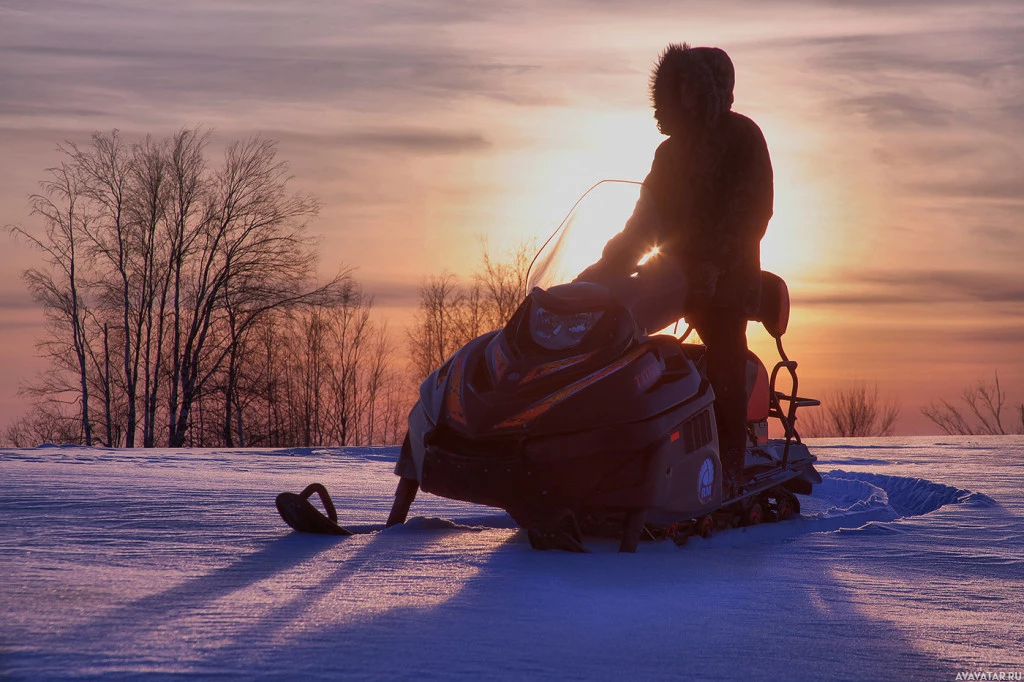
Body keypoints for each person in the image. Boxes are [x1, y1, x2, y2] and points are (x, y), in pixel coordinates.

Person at [576, 43, 774, 496]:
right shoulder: (668, 155)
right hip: (672, 276)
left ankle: (728, 467)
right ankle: (608, 448)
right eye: (676, 85)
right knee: (616, 336)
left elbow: (750, 214)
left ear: (711, 90)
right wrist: (604, 270)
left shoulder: (742, 138)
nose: (683, 94)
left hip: (725, 280)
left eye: (691, 85)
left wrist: (713, 264)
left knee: (725, 357)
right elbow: (646, 220)